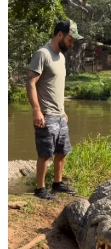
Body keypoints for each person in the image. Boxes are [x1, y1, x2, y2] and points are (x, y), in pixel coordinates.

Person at [26, 19, 84, 200]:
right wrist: (36, 110)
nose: (72, 43)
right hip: (46, 114)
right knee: (46, 153)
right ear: (60, 34)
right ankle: (40, 189)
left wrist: (63, 110)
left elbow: (56, 86)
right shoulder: (42, 54)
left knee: (62, 151)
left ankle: (57, 184)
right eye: (70, 39)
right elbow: (30, 82)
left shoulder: (61, 57)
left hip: (59, 114)